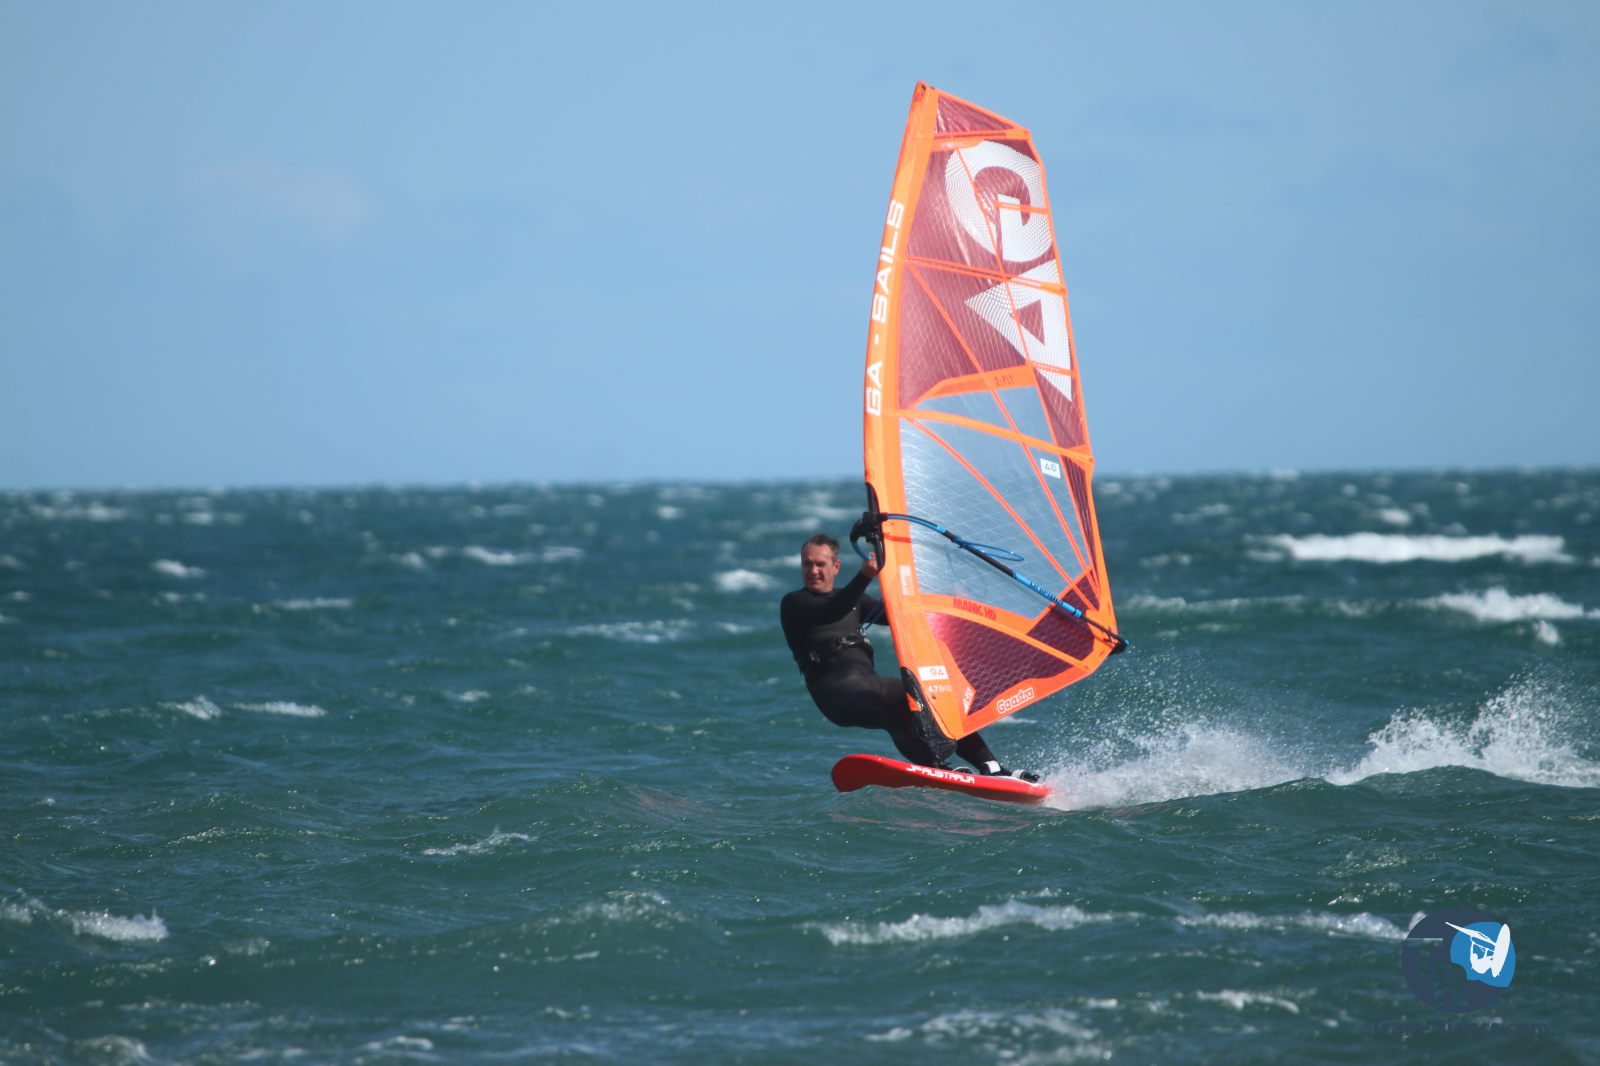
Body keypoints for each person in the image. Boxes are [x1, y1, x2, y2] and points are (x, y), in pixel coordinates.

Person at [779, 531, 1038, 779]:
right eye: (807, 564)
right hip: (836, 695)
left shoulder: (855, 600)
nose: (813, 570)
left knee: (938, 701)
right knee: (893, 711)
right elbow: (831, 611)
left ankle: (993, 767)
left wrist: (949, 601)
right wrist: (865, 575)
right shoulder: (794, 603)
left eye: (820, 564)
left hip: (870, 684)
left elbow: (901, 616)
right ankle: (938, 768)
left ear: (835, 567)